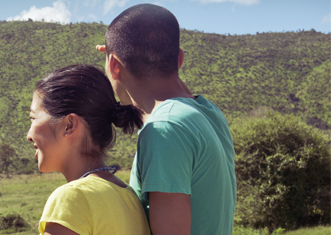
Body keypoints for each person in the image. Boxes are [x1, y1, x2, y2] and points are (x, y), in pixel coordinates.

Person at [95, 4, 237, 235]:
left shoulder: (164, 130)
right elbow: (176, 91)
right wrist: (117, 58)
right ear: (179, 59)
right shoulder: (208, 112)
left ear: (113, 66)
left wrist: (118, 58)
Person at [27, 64, 149, 235]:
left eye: (33, 118)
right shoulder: (129, 198)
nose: (29, 135)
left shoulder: (73, 198)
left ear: (69, 125)